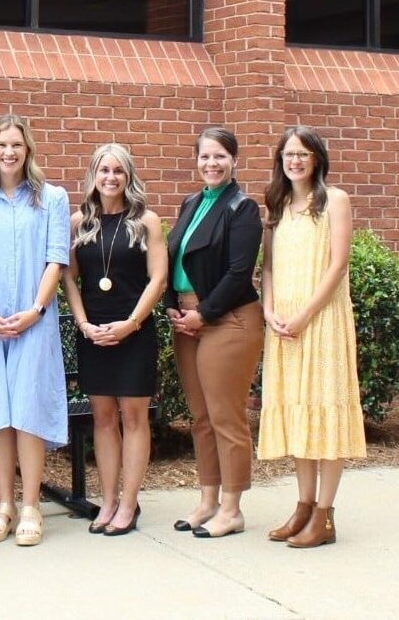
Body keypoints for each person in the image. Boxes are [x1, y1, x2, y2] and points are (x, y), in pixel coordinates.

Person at [256, 126, 366, 548]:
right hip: (284, 325)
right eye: (288, 154)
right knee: (298, 410)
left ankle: (324, 515)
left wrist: (303, 315)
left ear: (317, 158)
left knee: (325, 409)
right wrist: (269, 311)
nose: (295, 161)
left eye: (303, 154)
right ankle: (302, 506)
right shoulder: (278, 204)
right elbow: (267, 268)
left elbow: (338, 265)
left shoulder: (335, 201)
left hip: (321, 322)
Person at [0, 114, 69, 546]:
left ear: (28, 151)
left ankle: (30, 505)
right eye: (2, 145)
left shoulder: (51, 199)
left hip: (33, 322)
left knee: (27, 410)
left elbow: (56, 260)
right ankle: (3, 504)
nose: (9, 152)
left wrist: (36, 311)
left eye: (17, 146)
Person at [63, 143, 166, 536]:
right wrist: (84, 323)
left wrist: (132, 323)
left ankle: (129, 503)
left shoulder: (146, 221)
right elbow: (69, 276)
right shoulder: (78, 223)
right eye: (104, 170)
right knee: (103, 420)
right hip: (93, 333)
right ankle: (107, 500)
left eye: (118, 171)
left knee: (134, 418)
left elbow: (157, 278)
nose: (111, 178)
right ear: (93, 175)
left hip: (133, 331)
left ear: (129, 176)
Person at [164, 127, 263, 538]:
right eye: (205, 157)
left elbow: (239, 273)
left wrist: (202, 313)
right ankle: (207, 501)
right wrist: (171, 302)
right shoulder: (191, 202)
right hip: (186, 321)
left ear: (234, 160)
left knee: (226, 417)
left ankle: (232, 507)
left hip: (228, 320)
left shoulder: (243, 208)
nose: (211, 164)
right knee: (201, 418)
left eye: (220, 156)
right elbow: (172, 258)